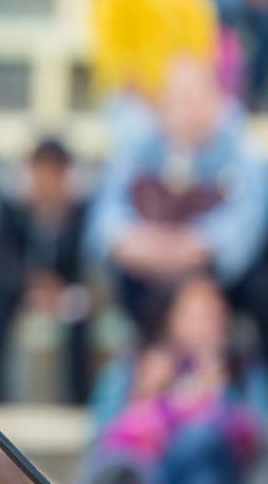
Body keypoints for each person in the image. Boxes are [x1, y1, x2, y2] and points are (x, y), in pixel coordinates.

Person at [88, 57, 268, 348]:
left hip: (219, 278)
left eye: (196, 98)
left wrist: (194, 246)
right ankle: (139, 375)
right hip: (147, 274)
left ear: (218, 101)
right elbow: (105, 221)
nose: (187, 111)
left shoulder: (241, 150)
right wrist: (141, 245)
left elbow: (244, 233)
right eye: (178, 99)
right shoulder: (138, 146)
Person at [81, 277, 266, 484]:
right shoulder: (134, 366)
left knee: (201, 439)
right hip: (148, 473)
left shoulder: (241, 369)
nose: (209, 325)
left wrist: (222, 393)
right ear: (171, 318)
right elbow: (105, 439)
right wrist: (144, 393)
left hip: (218, 472)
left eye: (216, 314)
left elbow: (258, 437)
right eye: (198, 315)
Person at [0, 139, 91, 404]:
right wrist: (31, 284)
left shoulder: (80, 206)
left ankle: (78, 398)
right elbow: (3, 258)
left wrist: (58, 291)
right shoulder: (10, 203)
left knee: (81, 313)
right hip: (19, 285)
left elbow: (81, 260)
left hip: (63, 289)